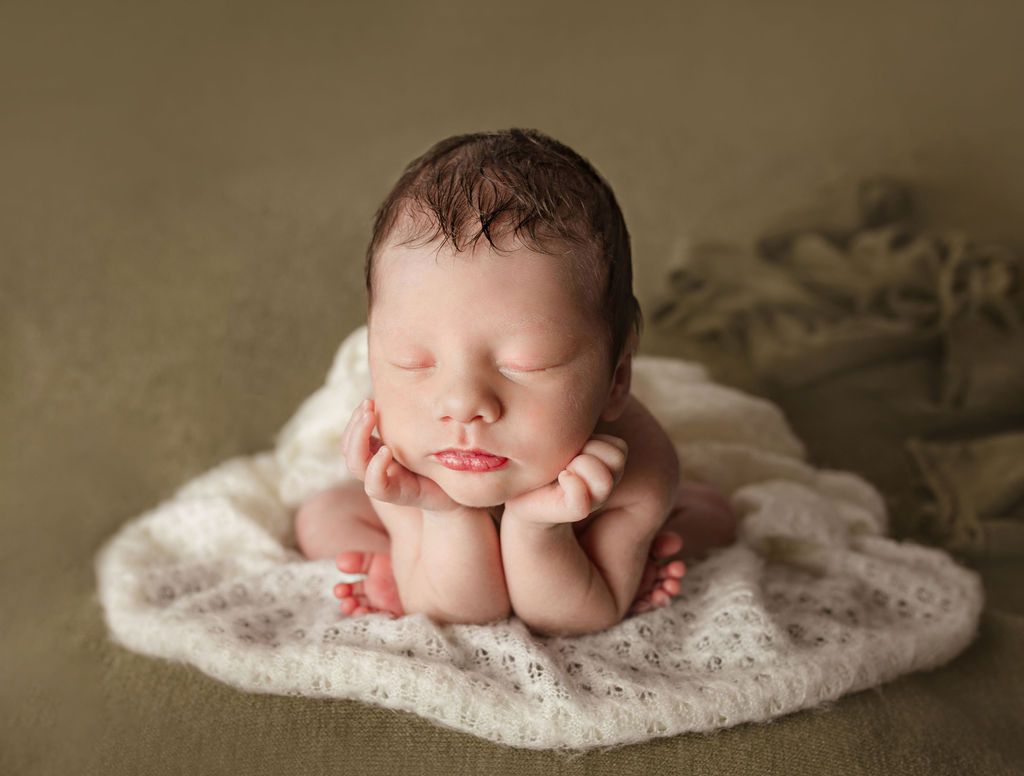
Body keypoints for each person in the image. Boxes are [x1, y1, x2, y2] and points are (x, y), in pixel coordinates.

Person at [294, 128, 738, 637]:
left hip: (583, 523)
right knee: (322, 516)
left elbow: (577, 617)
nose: (462, 404)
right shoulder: (403, 458)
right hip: (424, 508)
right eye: (412, 362)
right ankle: (395, 561)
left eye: (525, 364)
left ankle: (629, 550)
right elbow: (461, 614)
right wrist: (441, 513)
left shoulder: (635, 468)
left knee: (712, 515)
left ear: (616, 379)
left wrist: (538, 529)